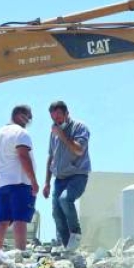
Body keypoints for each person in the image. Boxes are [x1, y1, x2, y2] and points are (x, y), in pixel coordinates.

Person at [42, 100, 91, 249]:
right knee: (57, 214)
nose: (56, 121)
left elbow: (78, 150)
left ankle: (76, 234)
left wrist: (61, 135)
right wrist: (47, 182)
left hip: (77, 175)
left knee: (65, 199)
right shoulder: (53, 133)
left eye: (58, 117)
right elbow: (51, 156)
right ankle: (68, 248)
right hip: (59, 179)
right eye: (53, 118)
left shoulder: (80, 127)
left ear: (67, 113)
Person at [0, 105, 38, 250]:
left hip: (1, 183)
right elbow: (23, 156)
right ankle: (20, 254)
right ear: (19, 115)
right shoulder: (21, 133)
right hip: (20, 182)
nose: (29, 120)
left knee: (2, 221)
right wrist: (34, 181)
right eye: (28, 116)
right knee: (20, 220)